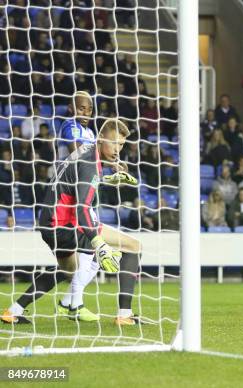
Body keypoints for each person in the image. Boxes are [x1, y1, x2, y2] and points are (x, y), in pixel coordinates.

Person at [2, 119, 144, 326]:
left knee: (67, 269)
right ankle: (114, 313)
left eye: (121, 145)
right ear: (101, 138)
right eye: (113, 143)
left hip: (50, 222)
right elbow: (82, 208)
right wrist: (98, 242)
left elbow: (76, 183)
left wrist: (107, 177)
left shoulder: (86, 150)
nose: (117, 149)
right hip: (65, 223)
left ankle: (13, 311)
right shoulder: (90, 165)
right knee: (131, 247)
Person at [57, 91, 96, 159]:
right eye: (81, 109)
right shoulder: (71, 125)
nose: (86, 114)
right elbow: (76, 151)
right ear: (70, 108)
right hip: (72, 169)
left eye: (89, 109)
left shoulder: (90, 132)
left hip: (87, 168)